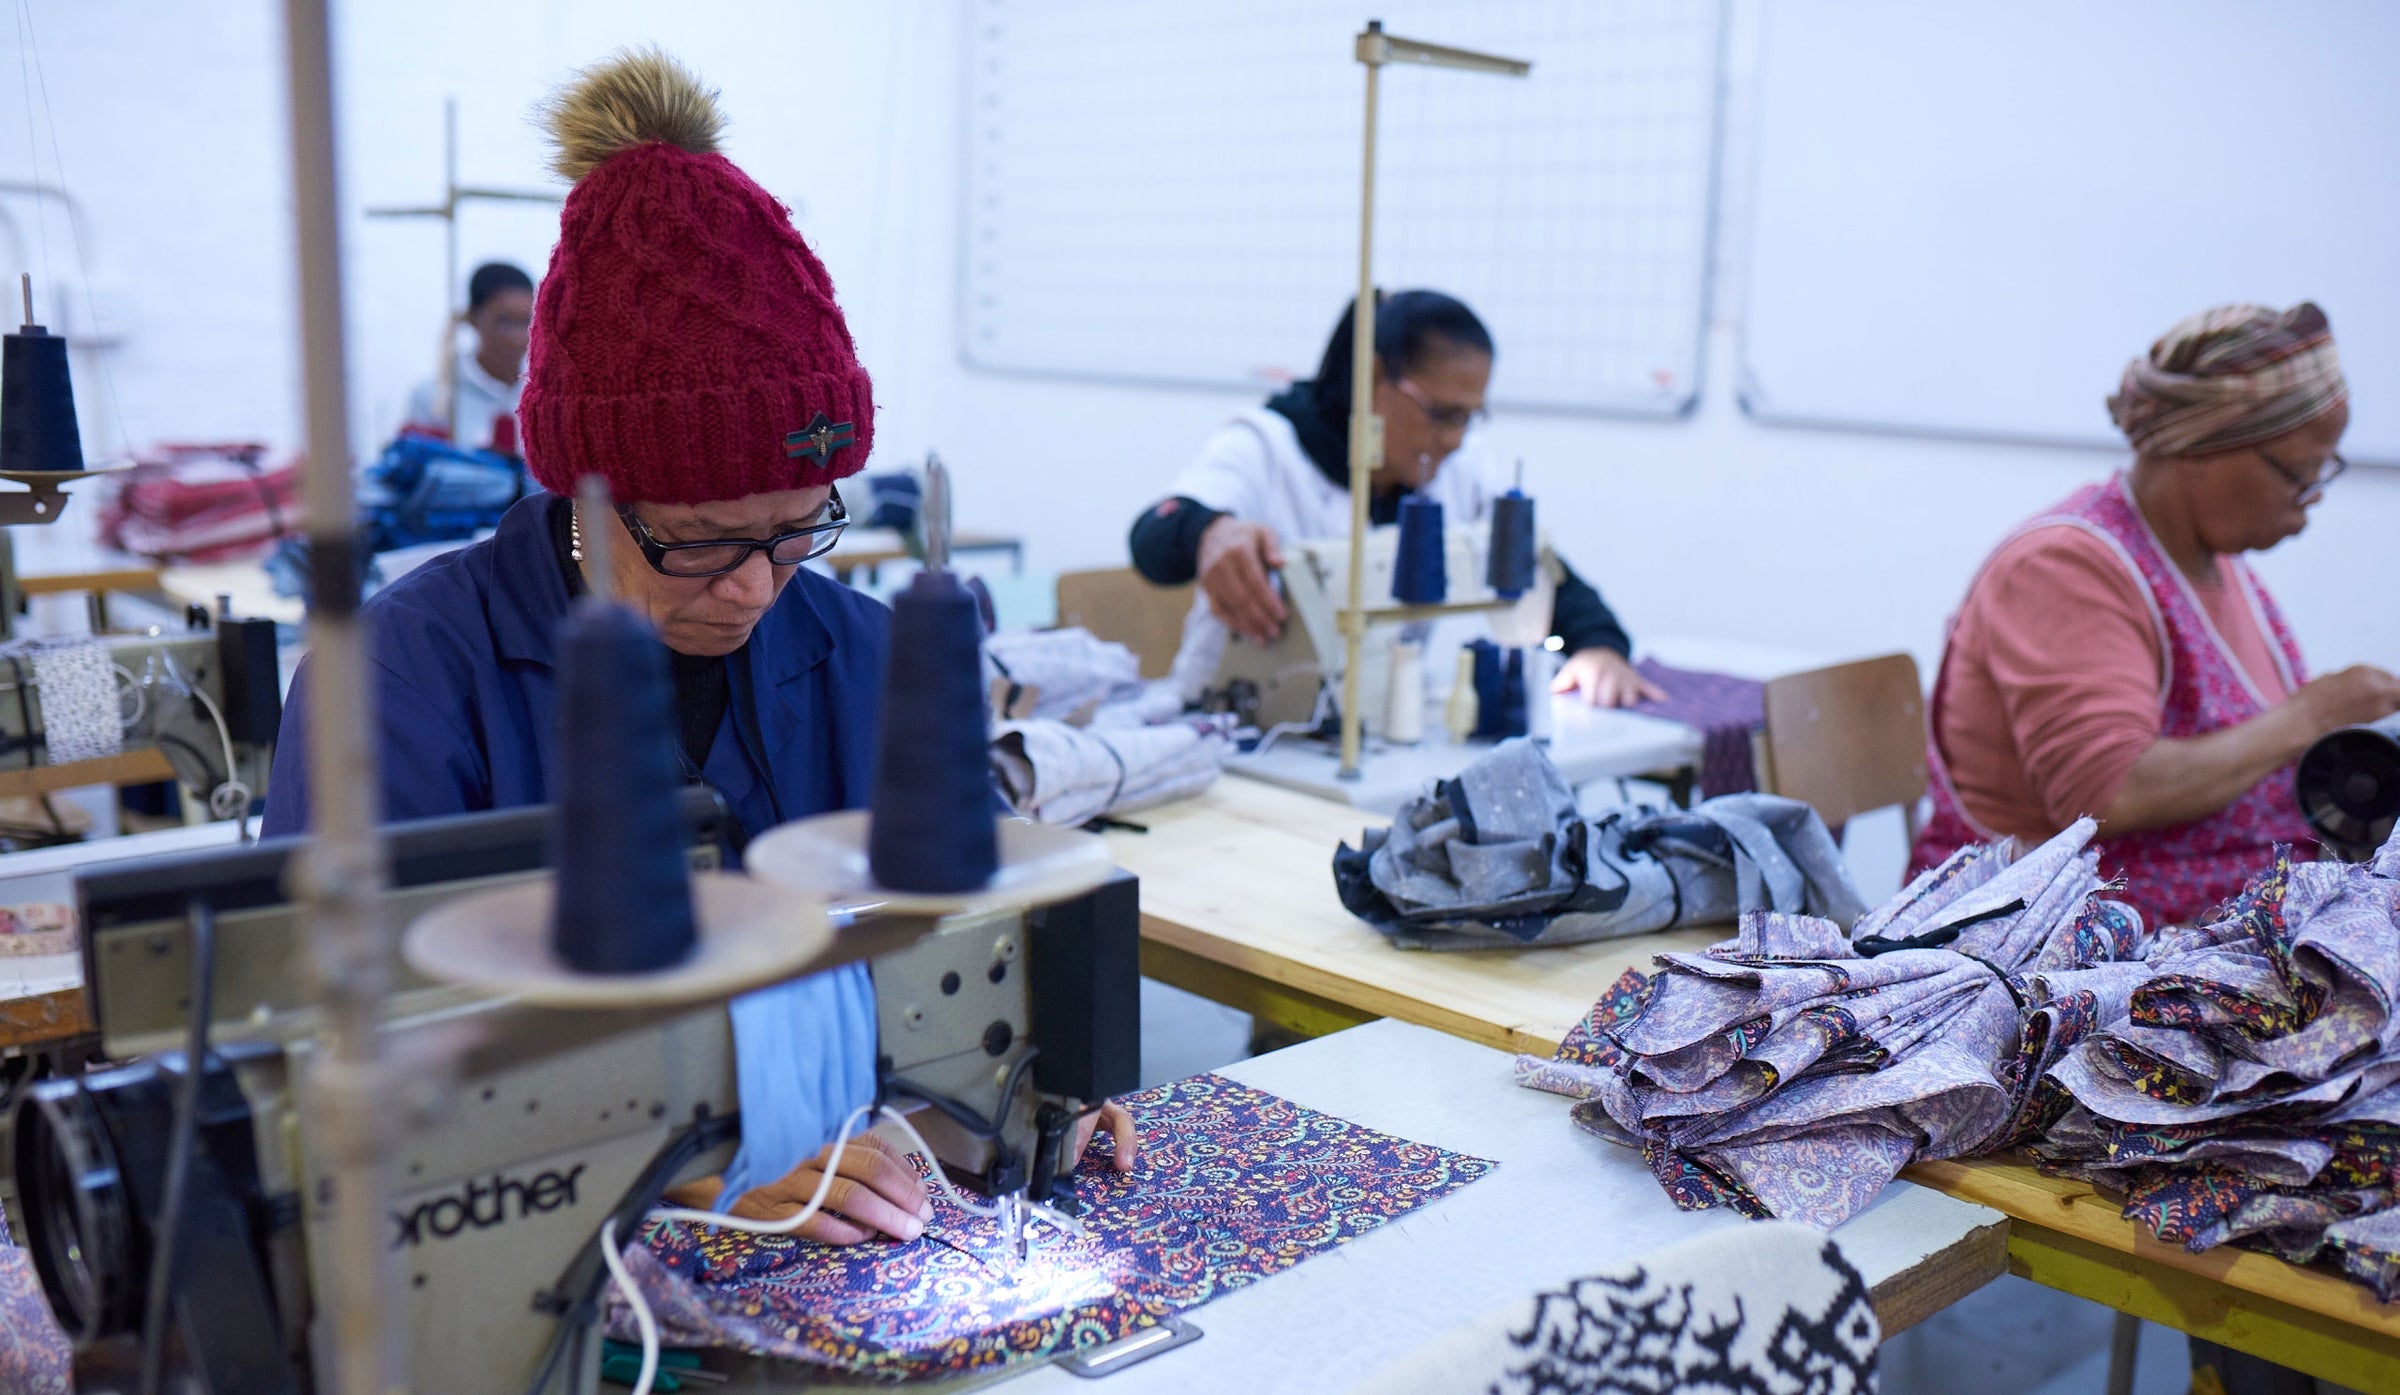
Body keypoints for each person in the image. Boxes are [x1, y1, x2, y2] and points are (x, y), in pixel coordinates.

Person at [264, 50, 1134, 1244]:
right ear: (582, 489)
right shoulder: (398, 690)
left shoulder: (865, 653)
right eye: (703, 544)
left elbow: (955, 947)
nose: (757, 589)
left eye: (798, 531)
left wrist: (1033, 1080)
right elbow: (346, 1071)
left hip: (855, 1215)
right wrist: (656, 1170)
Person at [1910, 301, 2400, 930]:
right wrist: (2310, 717)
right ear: (2207, 444)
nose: (2308, 506)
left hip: (2202, 919)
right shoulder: (2065, 567)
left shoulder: (2209, 562)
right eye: (2299, 477)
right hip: (2059, 944)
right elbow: (2107, 794)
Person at [1129, 291, 1661, 709]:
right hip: (1234, 730)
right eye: (1443, 414)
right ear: (1378, 379)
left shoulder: (1459, 467)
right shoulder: (1266, 446)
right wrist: (1208, 532)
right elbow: (1153, 535)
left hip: (1372, 726)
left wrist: (1598, 646)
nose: (1455, 438)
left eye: (1470, 417)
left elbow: (1531, 565)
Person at [401, 260, 535, 452]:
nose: (517, 338)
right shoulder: (434, 399)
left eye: (526, 322)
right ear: (473, 319)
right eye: (504, 322)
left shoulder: (546, 398)